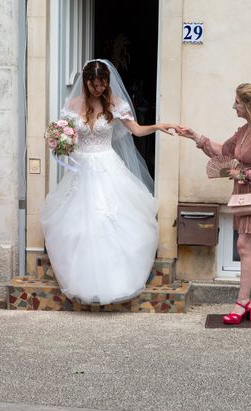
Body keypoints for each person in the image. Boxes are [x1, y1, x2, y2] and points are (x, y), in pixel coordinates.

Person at [40, 59, 177, 305]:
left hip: (106, 165)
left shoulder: (115, 104)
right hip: (81, 167)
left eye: (102, 84)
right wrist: (58, 141)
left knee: (110, 218)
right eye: (94, 85)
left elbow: (135, 130)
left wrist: (157, 126)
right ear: (86, 82)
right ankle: (84, 280)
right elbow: (63, 135)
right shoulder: (72, 105)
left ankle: (117, 280)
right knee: (81, 224)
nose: (98, 89)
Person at [179, 83, 251, 324]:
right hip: (246, 196)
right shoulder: (244, 131)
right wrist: (195, 136)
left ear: (248, 104)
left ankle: (243, 303)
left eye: (237, 102)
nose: (233, 106)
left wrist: (245, 175)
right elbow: (222, 151)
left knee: (245, 246)